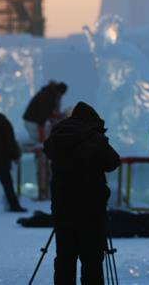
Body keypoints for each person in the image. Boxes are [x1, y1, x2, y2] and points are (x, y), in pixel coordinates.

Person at [43, 102, 121, 285]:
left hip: (63, 207)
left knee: (64, 258)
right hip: (91, 208)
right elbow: (113, 162)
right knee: (92, 260)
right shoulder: (95, 138)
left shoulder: (58, 136)